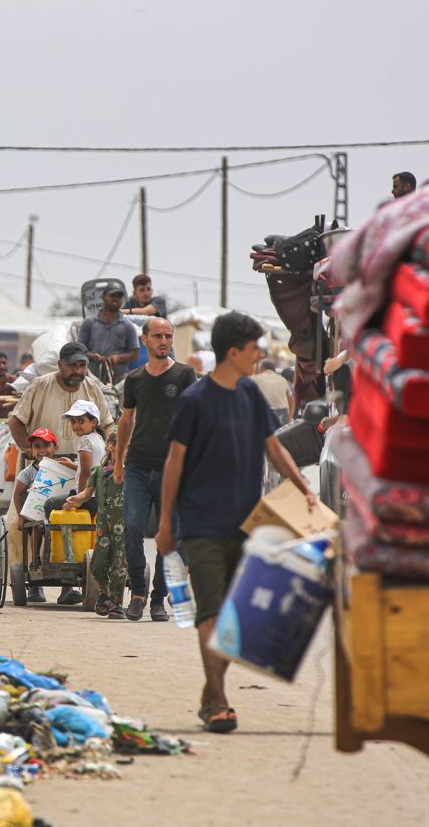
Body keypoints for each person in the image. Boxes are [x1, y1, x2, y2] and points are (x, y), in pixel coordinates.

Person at [155, 311, 318, 735]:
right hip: (202, 523)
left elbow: (273, 447)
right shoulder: (195, 399)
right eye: (253, 348)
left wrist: (303, 486)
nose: (260, 355)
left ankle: (211, 694)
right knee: (211, 611)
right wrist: (165, 524)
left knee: (231, 616)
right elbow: (174, 463)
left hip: (246, 522)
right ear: (233, 352)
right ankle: (220, 701)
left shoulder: (249, 394)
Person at [114, 318, 197, 622]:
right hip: (137, 465)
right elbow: (126, 421)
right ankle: (137, 591)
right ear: (145, 339)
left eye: (168, 336)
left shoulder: (186, 374)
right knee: (133, 528)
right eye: (158, 336)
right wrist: (119, 460)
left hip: (172, 468)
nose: (164, 341)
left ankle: (158, 598)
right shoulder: (135, 379)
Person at [8, 342, 115, 452]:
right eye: (72, 366)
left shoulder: (92, 388)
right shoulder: (40, 385)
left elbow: (107, 424)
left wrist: (109, 448)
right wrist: (28, 449)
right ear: (60, 364)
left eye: (82, 365)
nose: (78, 371)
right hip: (44, 464)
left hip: (82, 466)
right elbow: (15, 421)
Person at [11, 428, 74, 603]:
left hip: (59, 516)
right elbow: (17, 494)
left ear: (55, 447)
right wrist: (21, 516)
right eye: (37, 446)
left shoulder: (64, 468)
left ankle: (67, 586)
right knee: (39, 526)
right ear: (31, 450)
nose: (42, 449)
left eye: (46, 445)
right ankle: (35, 564)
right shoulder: (28, 472)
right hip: (36, 518)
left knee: (68, 530)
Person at [73, 430, 128, 619]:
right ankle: (104, 593)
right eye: (124, 445)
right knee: (97, 565)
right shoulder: (98, 472)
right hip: (103, 527)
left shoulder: (131, 473)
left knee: (120, 567)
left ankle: (116, 604)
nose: (127, 450)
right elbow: (87, 494)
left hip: (124, 527)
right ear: (111, 446)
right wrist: (75, 499)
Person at [78, 280, 140, 384]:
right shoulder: (89, 323)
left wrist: (117, 358)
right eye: (112, 295)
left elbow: (135, 353)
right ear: (103, 297)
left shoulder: (127, 325)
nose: (115, 298)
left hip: (120, 378)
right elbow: (79, 350)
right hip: (92, 377)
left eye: (119, 296)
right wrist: (94, 357)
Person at [63, 399, 107, 497]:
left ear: (94, 422)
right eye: (73, 421)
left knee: (50, 504)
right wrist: (72, 465)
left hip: (89, 495)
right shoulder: (99, 438)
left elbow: (86, 472)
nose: (76, 426)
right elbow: (93, 467)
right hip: (99, 493)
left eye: (81, 421)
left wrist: (80, 498)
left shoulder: (84, 440)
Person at [252, 359, 295, 426]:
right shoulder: (282, 379)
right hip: (282, 414)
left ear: (262, 368)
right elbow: (292, 400)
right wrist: (289, 417)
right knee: (282, 435)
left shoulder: (255, 379)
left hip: (263, 414)